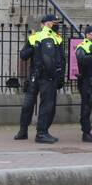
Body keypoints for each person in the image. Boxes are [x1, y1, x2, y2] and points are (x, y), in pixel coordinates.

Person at [32, 14, 65, 144]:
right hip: (47, 77)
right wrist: (53, 74)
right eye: (55, 23)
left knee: (50, 106)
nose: (57, 25)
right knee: (47, 105)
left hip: (51, 77)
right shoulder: (46, 36)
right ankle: (41, 133)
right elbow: (48, 59)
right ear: (48, 23)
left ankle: (45, 131)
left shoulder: (53, 36)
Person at [13, 22, 44, 141]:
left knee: (46, 106)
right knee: (27, 105)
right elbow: (23, 55)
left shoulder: (55, 39)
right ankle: (23, 130)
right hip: (34, 76)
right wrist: (32, 47)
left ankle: (42, 131)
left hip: (47, 77)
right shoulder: (33, 38)